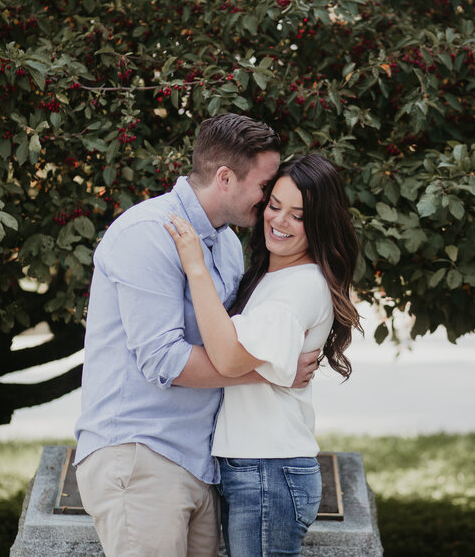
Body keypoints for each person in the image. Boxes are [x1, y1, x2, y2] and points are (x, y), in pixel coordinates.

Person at [73, 113, 320, 557]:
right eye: (265, 187)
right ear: (225, 177)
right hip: (141, 455)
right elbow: (164, 360)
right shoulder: (149, 233)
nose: (268, 202)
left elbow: (229, 340)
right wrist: (271, 372)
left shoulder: (225, 242)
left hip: (197, 460)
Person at [165, 153, 362, 557]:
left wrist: (196, 269)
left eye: (298, 215)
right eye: (274, 206)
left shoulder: (298, 286)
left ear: (320, 223)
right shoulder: (272, 277)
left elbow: (230, 359)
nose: (279, 221)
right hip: (256, 468)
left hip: (268, 470)